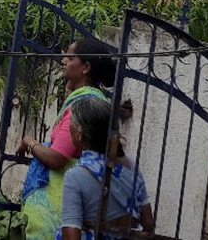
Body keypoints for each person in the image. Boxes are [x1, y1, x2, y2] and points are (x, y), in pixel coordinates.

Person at [16, 38, 117, 240]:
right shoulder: (92, 101)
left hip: (56, 217)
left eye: (70, 57)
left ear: (86, 67)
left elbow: (57, 157)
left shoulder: (82, 106)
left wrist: (29, 142)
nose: (63, 60)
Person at [59, 98, 153, 239]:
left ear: (79, 133)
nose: (68, 127)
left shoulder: (75, 176)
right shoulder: (131, 166)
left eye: (70, 122)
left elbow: (71, 235)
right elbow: (148, 224)